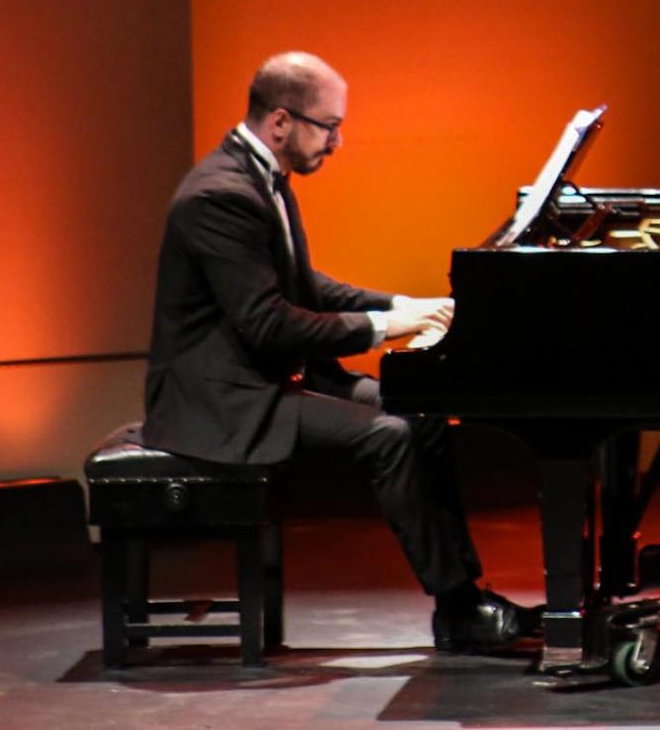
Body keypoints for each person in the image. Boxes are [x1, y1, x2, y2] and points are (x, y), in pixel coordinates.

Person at [141, 51, 532, 652]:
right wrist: (382, 326)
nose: (338, 142)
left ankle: (462, 600)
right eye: (329, 126)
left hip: (259, 379)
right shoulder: (220, 196)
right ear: (280, 122)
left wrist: (407, 303)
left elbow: (304, 285)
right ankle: (456, 605)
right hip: (220, 400)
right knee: (389, 435)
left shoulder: (261, 179)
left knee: (421, 409)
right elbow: (268, 324)